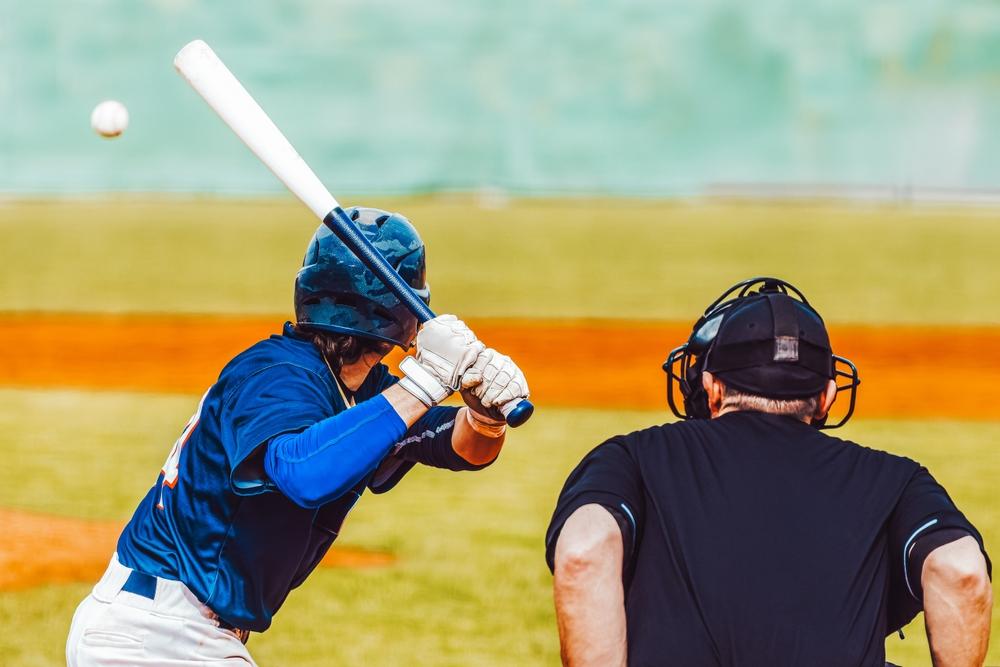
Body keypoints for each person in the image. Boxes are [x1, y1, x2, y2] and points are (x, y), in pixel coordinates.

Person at [66, 206, 529, 666]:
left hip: (171, 632)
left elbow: (456, 446)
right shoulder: (277, 375)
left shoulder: (363, 391)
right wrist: (426, 383)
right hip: (155, 632)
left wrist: (483, 416)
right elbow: (301, 473)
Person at [546, 277, 992, 666]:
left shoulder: (632, 457)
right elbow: (961, 571)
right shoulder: (897, 480)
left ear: (712, 388)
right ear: (827, 397)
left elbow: (584, 552)